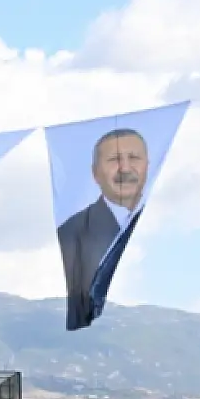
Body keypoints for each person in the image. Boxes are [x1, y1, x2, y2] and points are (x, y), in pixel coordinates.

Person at [57, 128, 147, 331]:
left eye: (134, 158)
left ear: (148, 165)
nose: (125, 168)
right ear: (95, 173)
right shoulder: (71, 232)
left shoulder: (175, 220)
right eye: (114, 159)